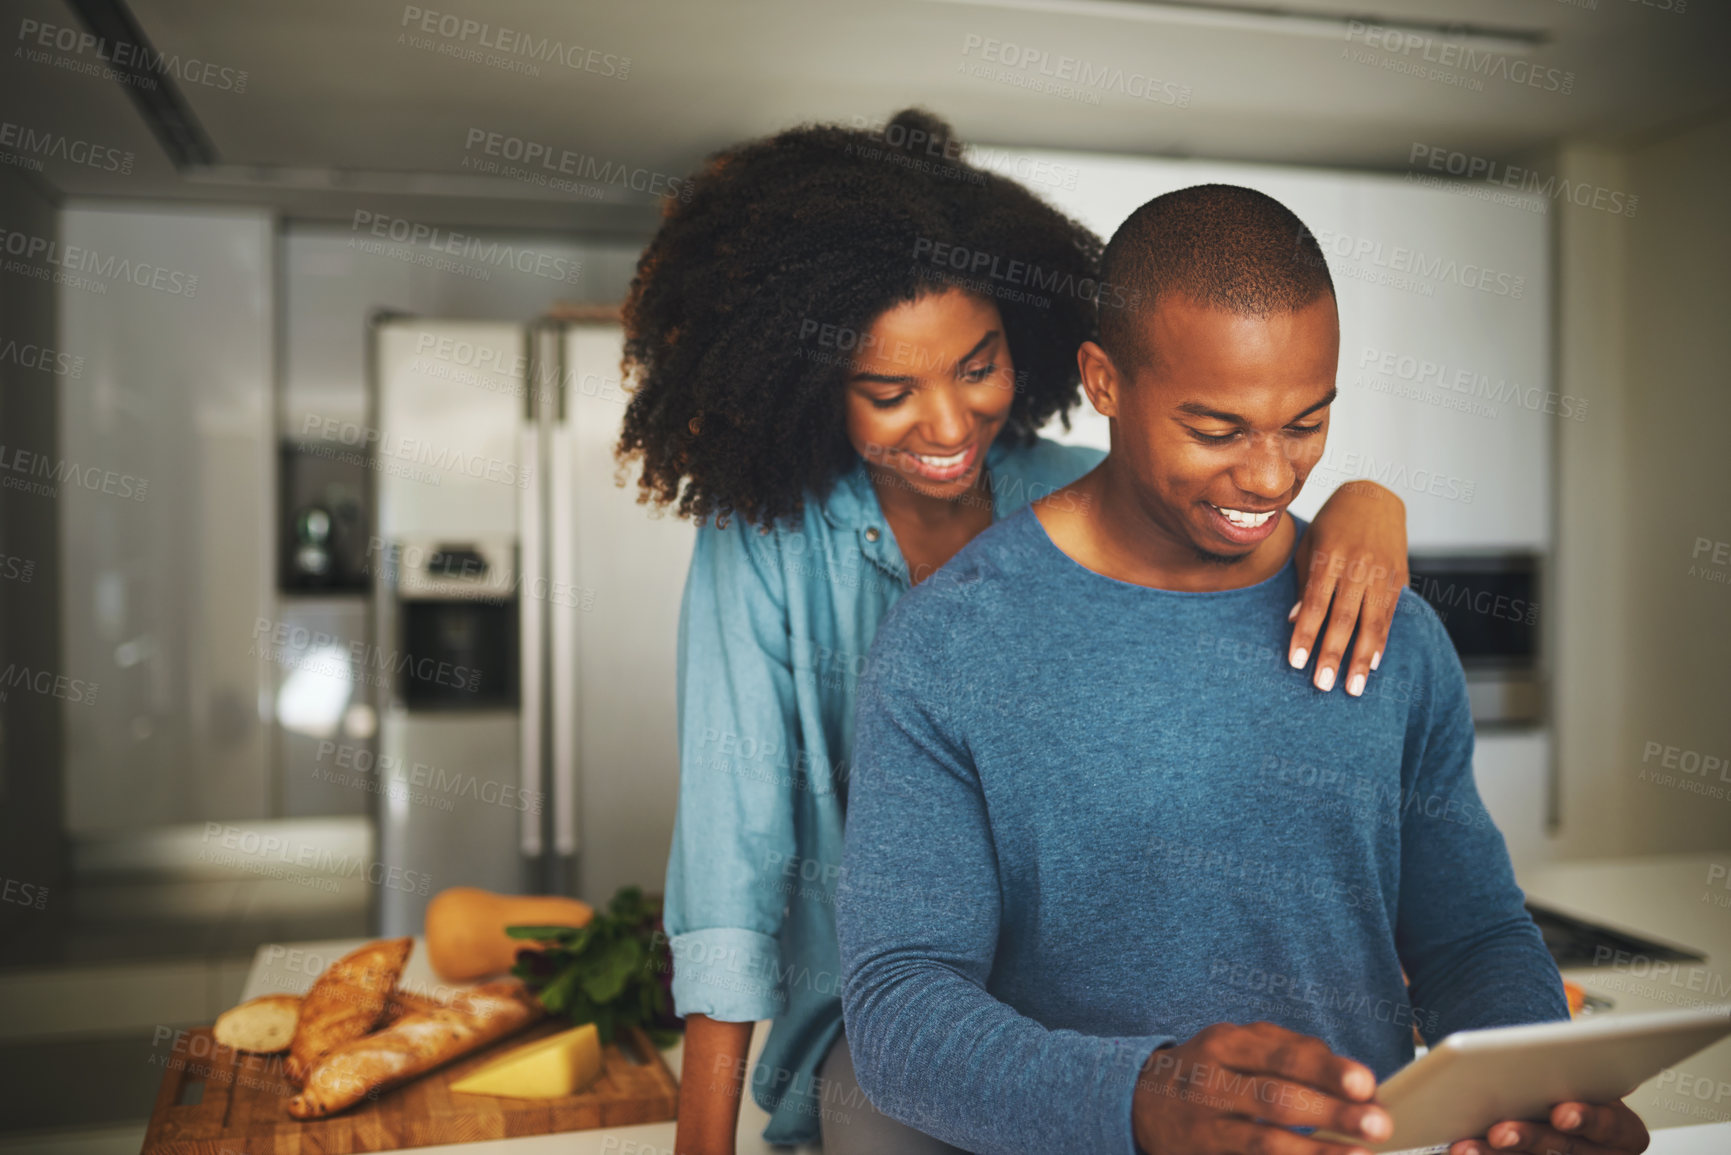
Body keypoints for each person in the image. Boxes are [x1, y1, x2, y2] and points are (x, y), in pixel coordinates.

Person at [619, 113, 1412, 1154]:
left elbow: (1239, 566)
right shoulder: (765, 543)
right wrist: (701, 1142)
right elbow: (735, 852)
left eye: (978, 366)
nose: (948, 426)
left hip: (1102, 1037)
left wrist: (1363, 506)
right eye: (890, 392)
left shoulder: (1074, 496)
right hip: (879, 1040)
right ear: (813, 385)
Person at [835, 184, 1650, 1155]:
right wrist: (1141, 1099)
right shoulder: (949, 647)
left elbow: (1470, 936)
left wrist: (1535, 1092)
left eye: (1306, 424)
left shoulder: (1395, 630)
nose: (1269, 477)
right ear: (1103, 381)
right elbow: (899, 1014)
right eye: (1216, 430)